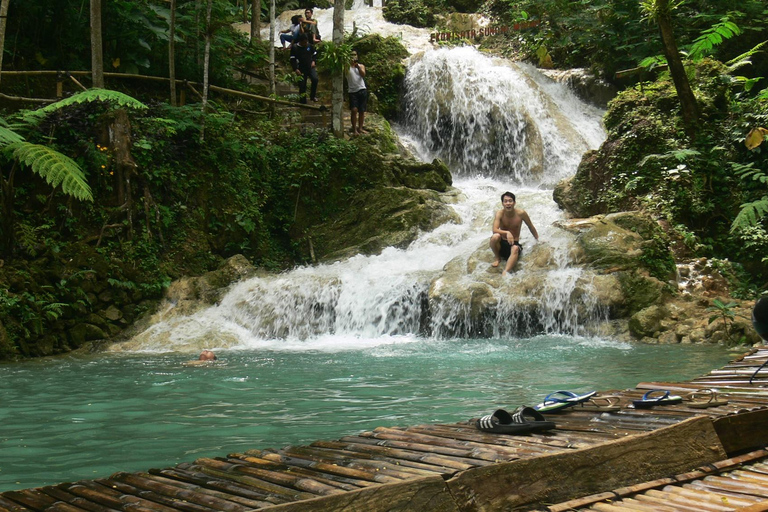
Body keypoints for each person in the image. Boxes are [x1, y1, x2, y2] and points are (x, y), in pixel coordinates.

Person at [489, 191, 539, 276]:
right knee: (495, 237)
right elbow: (494, 229)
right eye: (505, 201)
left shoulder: (521, 213)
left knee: (515, 248)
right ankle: (497, 258)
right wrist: (507, 232)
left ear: (514, 202)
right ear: (502, 203)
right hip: (501, 244)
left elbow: (530, 226)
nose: (508, 203)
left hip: (513, 244)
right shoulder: (500, 213)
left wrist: (538, 239)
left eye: (510, 201)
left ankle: (506, 271)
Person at [290, 33, 319, 103]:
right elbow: (292, 59)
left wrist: (314, 61)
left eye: (307, 42)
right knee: (302, 85)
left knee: (315, 79)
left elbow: (314, 54)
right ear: (300, 41)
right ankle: (303, 101)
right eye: (304, 42)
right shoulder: (295, 48)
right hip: (301, 69)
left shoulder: (309, 46)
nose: (306, 43)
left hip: (310, 67)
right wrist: (295, 69)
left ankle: (313, 96)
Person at [346, 50, 368, 136]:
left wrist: (357, 67)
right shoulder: (346, 67)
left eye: (355, 55)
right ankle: (354, 129)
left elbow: (363, 74)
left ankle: (360, 128)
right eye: (352, 55)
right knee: (354, 110)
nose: (353, 57)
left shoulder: (361, 66)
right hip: (352, 91)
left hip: (362, 89)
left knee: (362, 110)